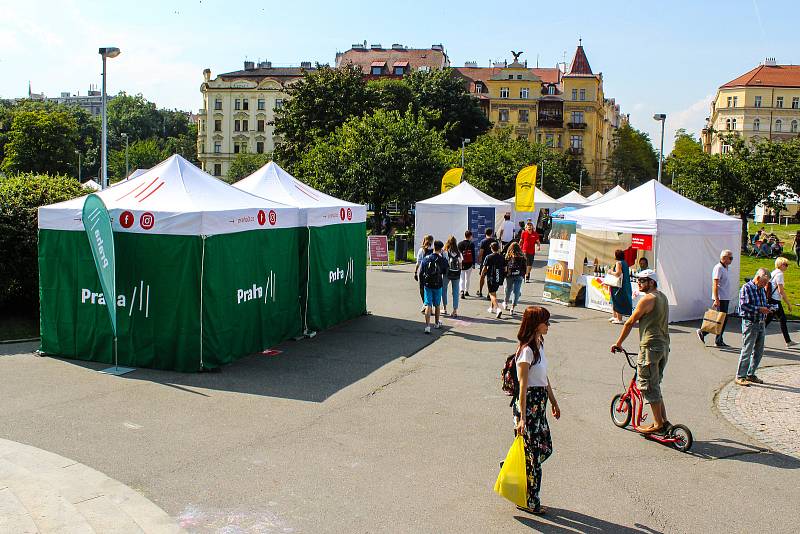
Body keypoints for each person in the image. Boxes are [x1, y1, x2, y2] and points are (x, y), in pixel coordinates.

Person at [512, 306, 560, 515]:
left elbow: (543, 377)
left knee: (545, 449)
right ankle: (531, 501)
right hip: (528, 405)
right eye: (546, 321)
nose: (548, 325)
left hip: (539, 404)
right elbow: (523, 387)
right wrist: (522, 418)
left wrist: (554, 401)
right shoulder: (526, 352)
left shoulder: (539, 344)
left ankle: (516, 468)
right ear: (535, 323)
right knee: (534, 457)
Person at [611, 269, 670, 433]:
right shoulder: (662, 297)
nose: (639, 283)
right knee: (655, 384)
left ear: (652, 282)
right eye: (638, 280)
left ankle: (658, 424)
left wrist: (618, 343)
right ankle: (663, 421)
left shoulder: (647, 299)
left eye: (643, 281)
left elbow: (629, 322)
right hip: (664, 346)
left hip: (650, 347)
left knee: (647, 386)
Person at [736, 268, 773, 386]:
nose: (765, 285)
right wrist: (759, 309)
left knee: (759, 351)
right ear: (757, 278)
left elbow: (763, 303)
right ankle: (740, 376)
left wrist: (769, 307)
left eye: (766, 283)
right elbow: (743, 306)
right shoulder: (747, 288)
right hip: (750, 323)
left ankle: (750, 374)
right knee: (747, 350)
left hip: (761, 322)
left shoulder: (761, 289)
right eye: (764, 282)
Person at [697, 250, 734, 347]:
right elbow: (715, 284)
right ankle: (703, 332)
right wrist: (716, 299)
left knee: (722, 319)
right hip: (721, 298)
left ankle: (718, 339)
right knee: (719, 319)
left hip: (725, 297)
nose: (731, 260)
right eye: (730, 258)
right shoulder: (718, 268)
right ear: (724, 258)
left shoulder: (725, 268)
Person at [419, 240, 449, 334]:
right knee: (437, 304)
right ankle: (436, 323)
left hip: (427, 284)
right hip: (438, 284)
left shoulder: (427, 258)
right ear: (441, 249)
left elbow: (421, 271)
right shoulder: (442, 260)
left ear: (434, 247)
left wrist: (422, 283)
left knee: (428, 304)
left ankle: (427, 326)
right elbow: (445, 271)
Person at [766, 257, 796, 348]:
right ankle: (788, 341)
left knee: (769, 319)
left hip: (771, 299)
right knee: (782, 319)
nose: (787, 267)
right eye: (786, 265)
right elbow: (781, 291)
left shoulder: (773, 272)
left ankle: (788, 341)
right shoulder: (779, 275)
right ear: (780, 265)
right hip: (775, 300)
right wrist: (788, 304)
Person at [608, 249, 632, 325]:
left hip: (618, 285)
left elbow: (618, 273)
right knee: (615, 299)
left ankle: (619, 318)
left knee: (617, 300)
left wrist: (610, 272)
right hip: (623, 284)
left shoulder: (618, 263)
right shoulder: (625, 262)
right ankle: (615, 316)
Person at [481, 241, 505, 317]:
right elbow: (505, 268)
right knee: (493, 292)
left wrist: (482, 275)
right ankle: (491, 308)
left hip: (491, 277)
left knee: (491, 294)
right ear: (498, 248)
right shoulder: (501, 257)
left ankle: (498, 309)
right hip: (499, 277)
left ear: (491, 248)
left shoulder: (488, 257)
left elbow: (484, 268)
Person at [502, 243, 527, 317]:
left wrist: (505, 274)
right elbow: (524, 268)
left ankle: (506, 303)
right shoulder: (522, 257)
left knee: (508, 289)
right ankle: (512, 308)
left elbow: (505, 267)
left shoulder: (508, 256)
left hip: (509, 276)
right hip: (519, 276)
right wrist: (523, 275)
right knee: (516, 291)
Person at [442, 236, 462, 317]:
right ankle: (455, 310)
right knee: (456, 291)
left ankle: (444, 307)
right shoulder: (458, 252)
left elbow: (443, 262)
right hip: (456, 274)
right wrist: (458, 272)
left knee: (444, 289)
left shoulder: (445, 252)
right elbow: (460, 264)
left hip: (447, 273)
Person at [414, 235, 434, 313]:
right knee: (430, 290)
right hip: (432, 273)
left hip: (423, 273)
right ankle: (429, 307)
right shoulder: (433, 250)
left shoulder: (421, 250)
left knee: (422, 290)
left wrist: (415, 272)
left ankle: (426, 306)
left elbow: (418, 262)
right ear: (432, 241)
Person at [477, 228, 497, 298]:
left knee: (482, 276)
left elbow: (481, 252)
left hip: (485, 262)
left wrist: (479, 260)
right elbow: (498, 251)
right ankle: (489, 293)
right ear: (491, 233)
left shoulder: (483, 241)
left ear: (485, 233)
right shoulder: (495, 241)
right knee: (491, 277)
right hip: (493, 261)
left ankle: (480, 291)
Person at [458, 231, 477, 299]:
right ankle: (466, 291)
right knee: (467, 278)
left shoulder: (460, 244)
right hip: (469, 263)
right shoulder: (471, 244)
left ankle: (462, 291)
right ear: (470, 236)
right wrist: (474, 263)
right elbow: (473, 254)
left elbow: (458, 255)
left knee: (461, 278)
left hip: (462, 263)